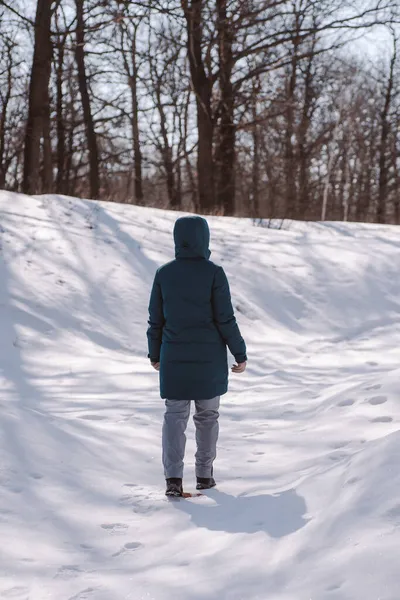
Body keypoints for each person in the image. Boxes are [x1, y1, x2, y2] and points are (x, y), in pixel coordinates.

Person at [147, 216, 247, 497]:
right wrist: (239, 353)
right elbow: (225, 319)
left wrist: (154, 353)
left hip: (174, 358)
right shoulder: (214, 273)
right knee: (208, 416)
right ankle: (204, 475)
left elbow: (156, 320)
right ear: (205, 238)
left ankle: (173, 480)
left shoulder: (163, 274)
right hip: (208, 361)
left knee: (174, 417)